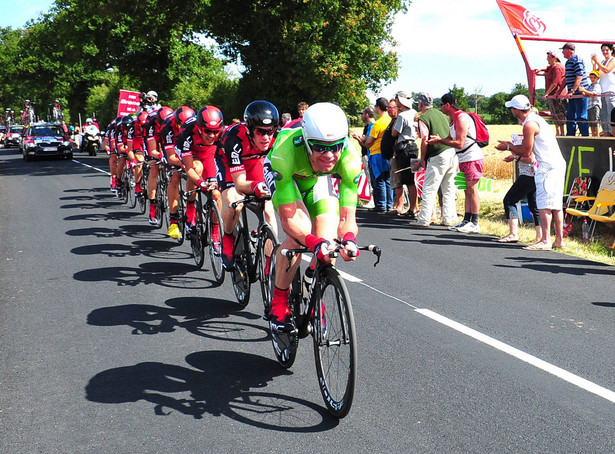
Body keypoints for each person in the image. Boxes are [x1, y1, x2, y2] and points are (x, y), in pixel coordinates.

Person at [264, 102, 361, 331]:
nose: (329, 155)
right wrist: (310, 241)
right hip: (287, 177)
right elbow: (289, 220)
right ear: (307, 141)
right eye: (320, 147)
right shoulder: (284, 152)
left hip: (316, 179)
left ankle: (313, 286)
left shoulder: (349, 158)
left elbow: (348, 217)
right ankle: (279, 300)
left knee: (328, 240)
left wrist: (348, 239)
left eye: (336, 147)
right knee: (301, 233)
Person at [495, 95, 566, 250]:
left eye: (512, 109)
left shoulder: (529, 124)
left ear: (516, 110)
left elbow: (526, 152)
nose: (511, 111)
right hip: (556, 164)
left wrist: (508, 146)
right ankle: (559, 240)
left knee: (544, 204)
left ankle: (545, 240)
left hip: (547, 167)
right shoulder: (537, 119)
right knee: (555, 204)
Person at [216, 100, 279, 269]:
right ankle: (228, 238)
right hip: (230, 166)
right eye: (260, 132)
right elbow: (240, 184)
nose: (266, 137)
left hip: (255, 162)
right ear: (250, 130)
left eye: (270, 131)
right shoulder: (234, 139)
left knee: (269, 209)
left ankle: (269, 263)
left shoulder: (278, 139)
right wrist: (256, 186)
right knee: (234, 203)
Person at [428, 92, 483, 233]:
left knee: (472, 190)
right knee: (467, 190)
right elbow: (450, 138)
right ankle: (467, 220)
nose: (440, 108)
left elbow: (459, 143)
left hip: (471, 157)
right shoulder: (453, 119)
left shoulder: (461, 118)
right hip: (464, 158)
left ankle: (475, 222)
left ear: (447, 105)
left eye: (441, 105)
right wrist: (440, 139)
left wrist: (440, 140)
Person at [174, 106, 225, 240]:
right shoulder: (188, 132)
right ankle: (190, 207)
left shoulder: (222, 134)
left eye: (216, 132)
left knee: (216, 194)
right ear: (200, 128)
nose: (212, 136)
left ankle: (215, 232)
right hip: (191, 152)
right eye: (208, 131)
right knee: (196, 168)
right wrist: (200, 182)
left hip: (209, 154)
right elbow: (189, 168)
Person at [411, 92, 458, 228]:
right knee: (448, 188)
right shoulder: (443, 115)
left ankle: (424, 218)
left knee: (429, 187)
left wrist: (423, 158)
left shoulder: (424, 118)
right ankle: (447, 218)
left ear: (420, 104)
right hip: (451, 153)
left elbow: (425, 139)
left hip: (437, 154)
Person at [160, 105, 196, 239]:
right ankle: (173, 219)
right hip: (173, 152)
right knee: (175, 177)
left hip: (187, 148)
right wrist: (186, 166)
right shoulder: (168, 128)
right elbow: (171, 157)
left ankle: (192, 206)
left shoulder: (194, 126)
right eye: (182, 125)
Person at [497, 141, 541, 244]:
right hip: (534, 176)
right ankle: (539, 236)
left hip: (527, 176)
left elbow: (530, 159)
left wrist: (515, 157)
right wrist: (511, 147)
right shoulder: (535, 141)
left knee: (509, 200)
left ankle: (513, 233)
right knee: (534, 205)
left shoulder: (530, 141)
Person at [356, 97, 393, 212]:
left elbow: (368, 143)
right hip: (389, 153)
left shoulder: (378, 124)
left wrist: (360, 140)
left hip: (377, 153)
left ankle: (381, 205)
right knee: (388, 180)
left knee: (379, 179)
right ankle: (389, 205)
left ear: (378, 108)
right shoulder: (391, 120)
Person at [391, 91, 419, 217]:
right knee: (412, 179)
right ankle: (414, 207)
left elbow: (394, 133)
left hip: (405, 149)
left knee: (408, 180)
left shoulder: (402, 116)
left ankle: (412, 209)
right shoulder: (414, 113)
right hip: (413, 146)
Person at [561, 42, 590, 137]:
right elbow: (566, 78)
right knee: (570, 115)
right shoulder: (568, 62)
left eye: (563, 50)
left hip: (580, 93)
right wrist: (560, 90)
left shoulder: (577, 60)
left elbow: (579, 76)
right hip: (573, 94)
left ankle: (585, 136)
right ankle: (570, 136)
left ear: (569, 51)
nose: (562, 52)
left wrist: (572, 91)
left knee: (581, 116)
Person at [351, 106, 376, 202]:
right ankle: (373, 199)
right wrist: (359, 139)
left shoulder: (373, 126)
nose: (361, 117)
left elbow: (368, 143)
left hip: (371, 155)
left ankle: (373, 199)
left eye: (362, 114)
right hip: (366, 153)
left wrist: (361, 140)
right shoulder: (366, 127)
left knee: (372, 177)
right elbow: (364, 143)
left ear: (366, 115)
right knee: (370, 177)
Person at [591, 42, 615, 136]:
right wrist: (594, 63)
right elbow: (596, 74)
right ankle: (606, 133)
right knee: (604, 114)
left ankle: (612, 133)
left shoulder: (613, 60)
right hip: (603, 91)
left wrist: (597, 62)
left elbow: (606, 70)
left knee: (611, 113)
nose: (605, 52)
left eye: (606, 50)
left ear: (611, 50)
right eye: (603, 50)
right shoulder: (602, 62)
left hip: (611, 90)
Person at [542, 50, 567, 136]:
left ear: (555, 58)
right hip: (552, 95)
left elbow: (555, 82)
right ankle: (558, 132)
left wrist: (547, 93)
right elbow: (547, 68)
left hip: (557, 95)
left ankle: (562, 133)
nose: (547, 59)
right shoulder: (552, 67)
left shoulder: (557, 68)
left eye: (549, 58)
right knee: (555, 114)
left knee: (559, 114)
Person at [580, 70, 602, 137]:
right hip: (590, 105)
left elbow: (593, 93)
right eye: (591, 77)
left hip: (595, 105)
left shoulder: (597, 85)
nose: (592, 79)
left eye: (594, 78)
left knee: (595, 120)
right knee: (591, 122)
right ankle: (593, 135)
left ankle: (597, 135)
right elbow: (586, 94)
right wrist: (582, 91)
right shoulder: (590, 86)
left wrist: (584, 90)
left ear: (597, 78)